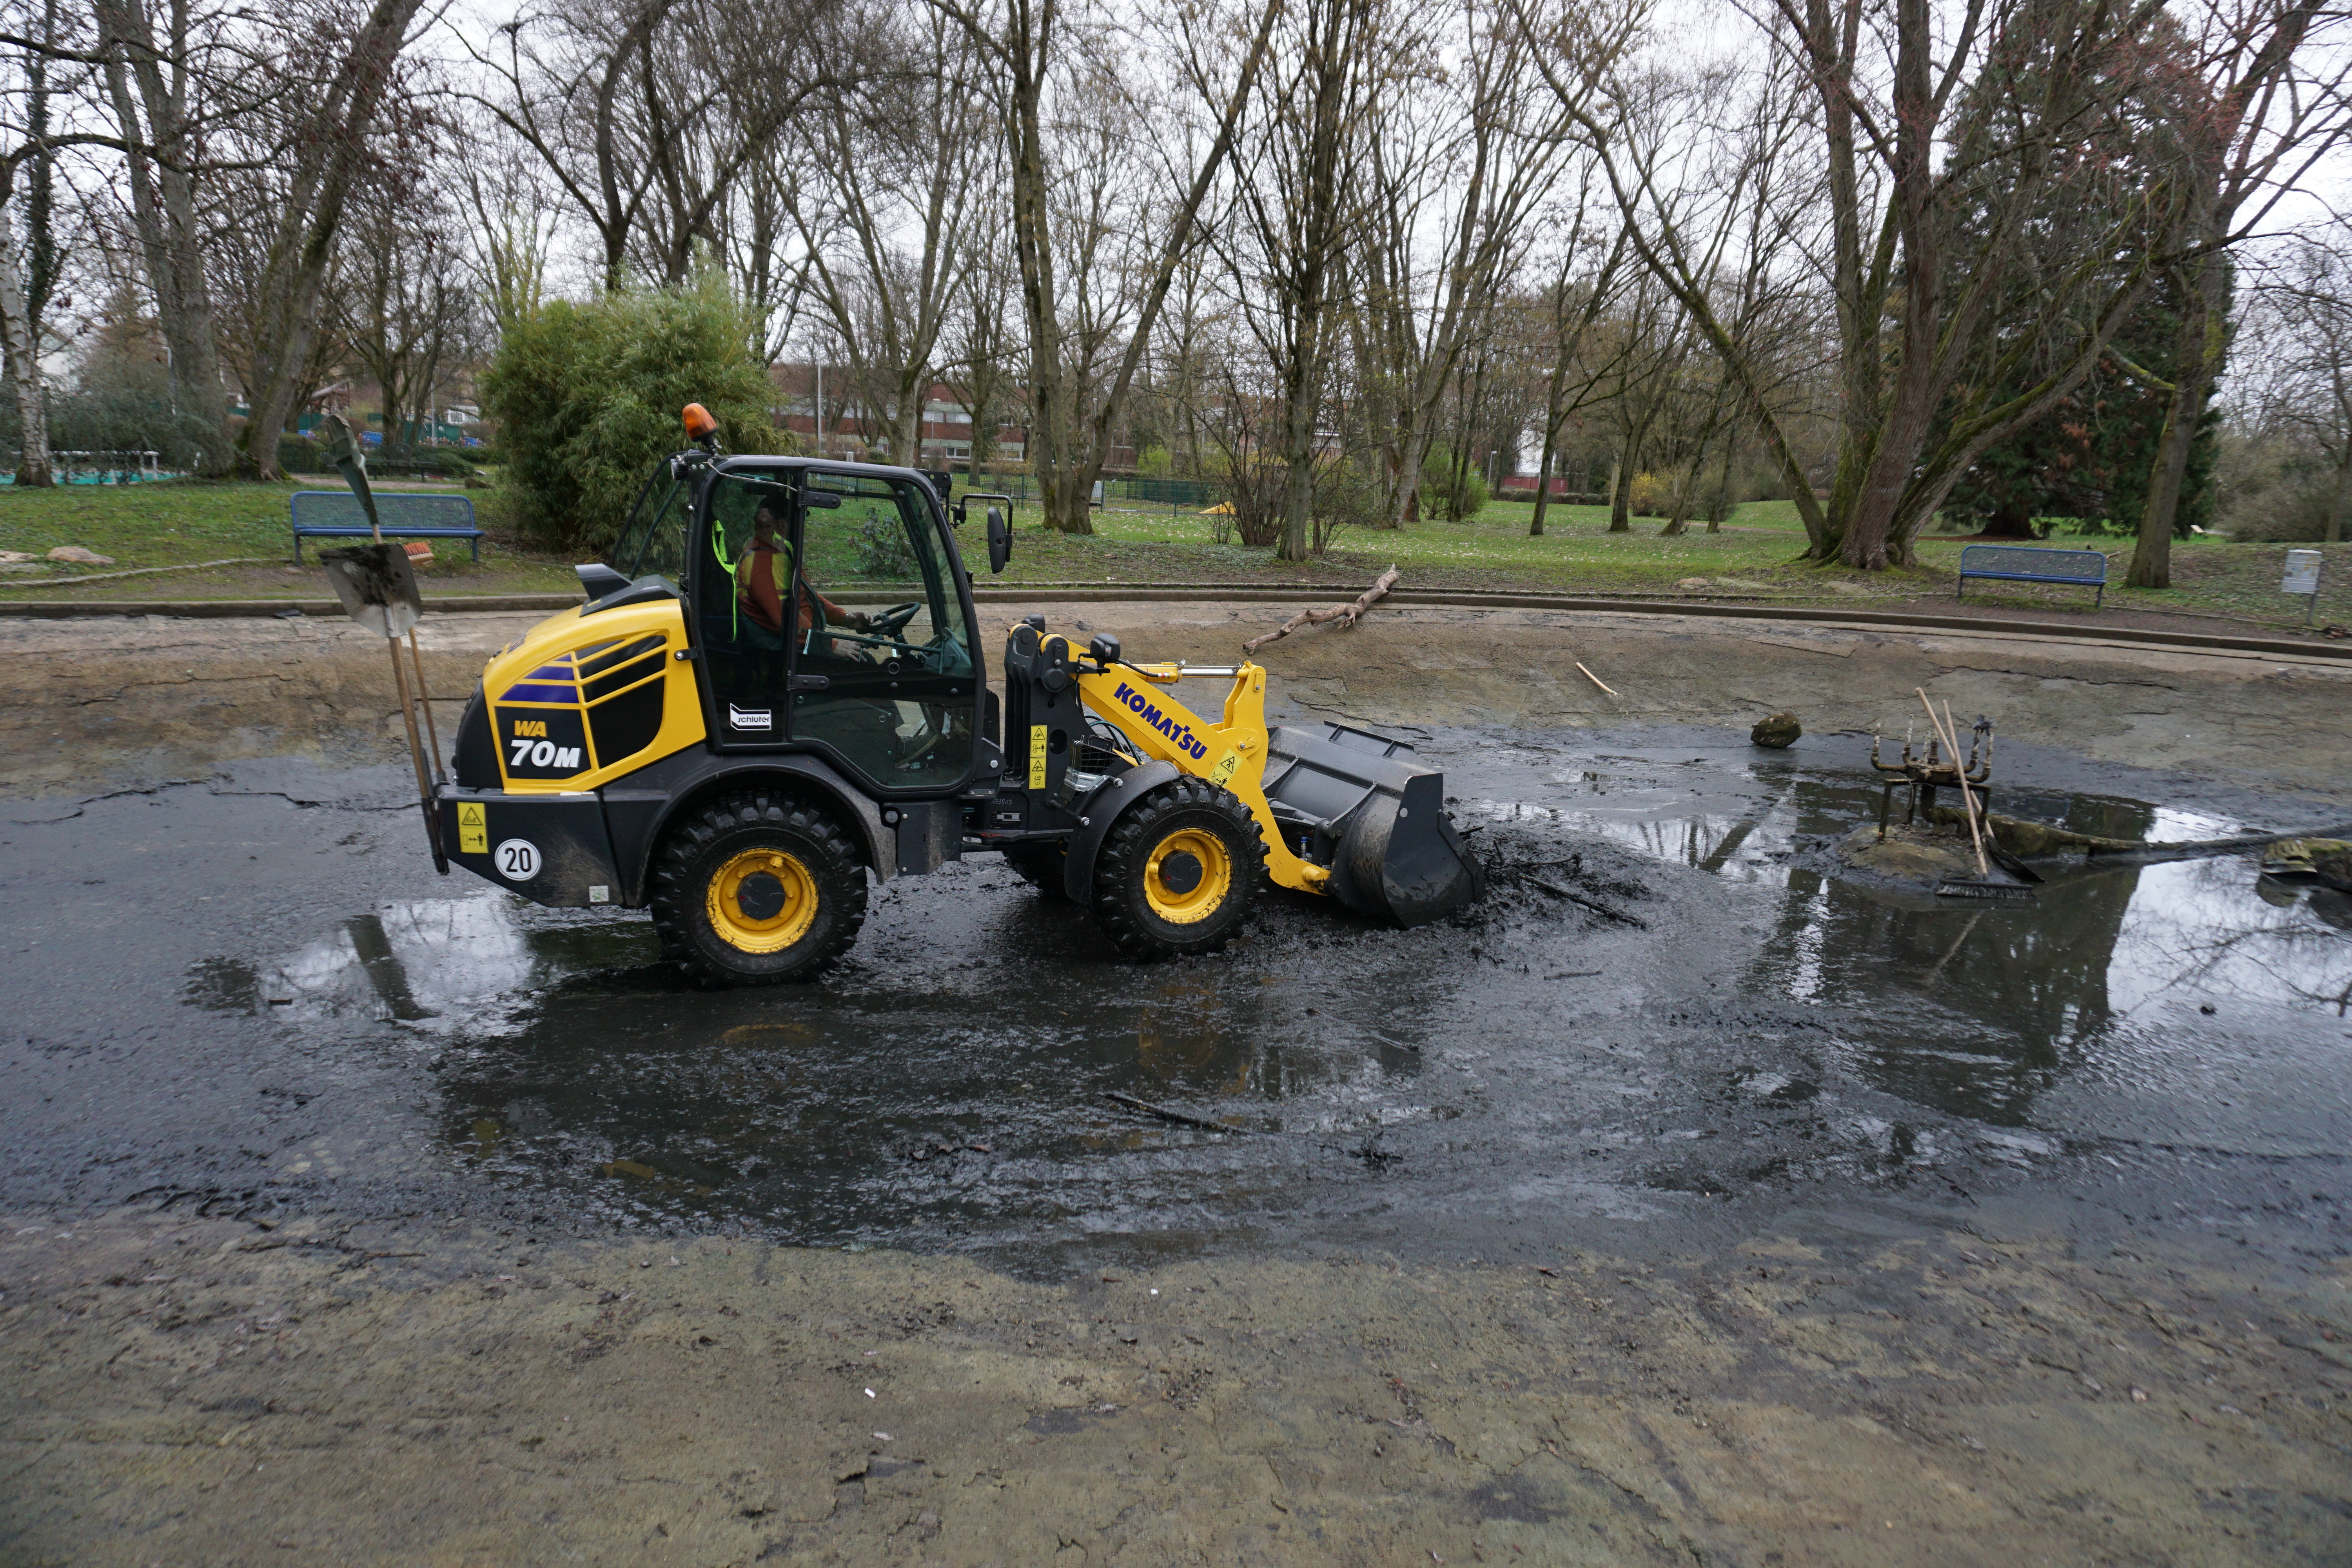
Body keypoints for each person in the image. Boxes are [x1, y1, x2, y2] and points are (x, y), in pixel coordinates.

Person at [735, 502, 869, 652]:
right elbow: (785, 620)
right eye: (801, 522)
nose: (803, 528)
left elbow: (807, 596)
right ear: (783, 524)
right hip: (782, 647)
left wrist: (845, 618)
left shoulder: (778, 551)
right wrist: (831, 645)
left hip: (799, 639)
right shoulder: (763, 564)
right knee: (863, 659)